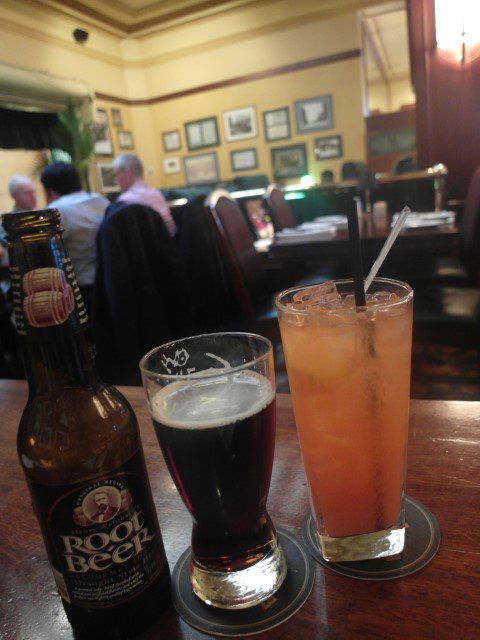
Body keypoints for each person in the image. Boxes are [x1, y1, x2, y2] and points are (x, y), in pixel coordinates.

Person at [40, 162, 108, 312]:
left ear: (51, 192)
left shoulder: (57, 211)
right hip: (110, 283)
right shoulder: (102, 201)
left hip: (82, 295)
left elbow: (45, 254)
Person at [112, 153, 176, 236]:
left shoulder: (125, 201)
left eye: (117, 175)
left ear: (127, 174)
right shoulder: (157, 194)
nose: (116, 181)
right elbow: (172, 230)